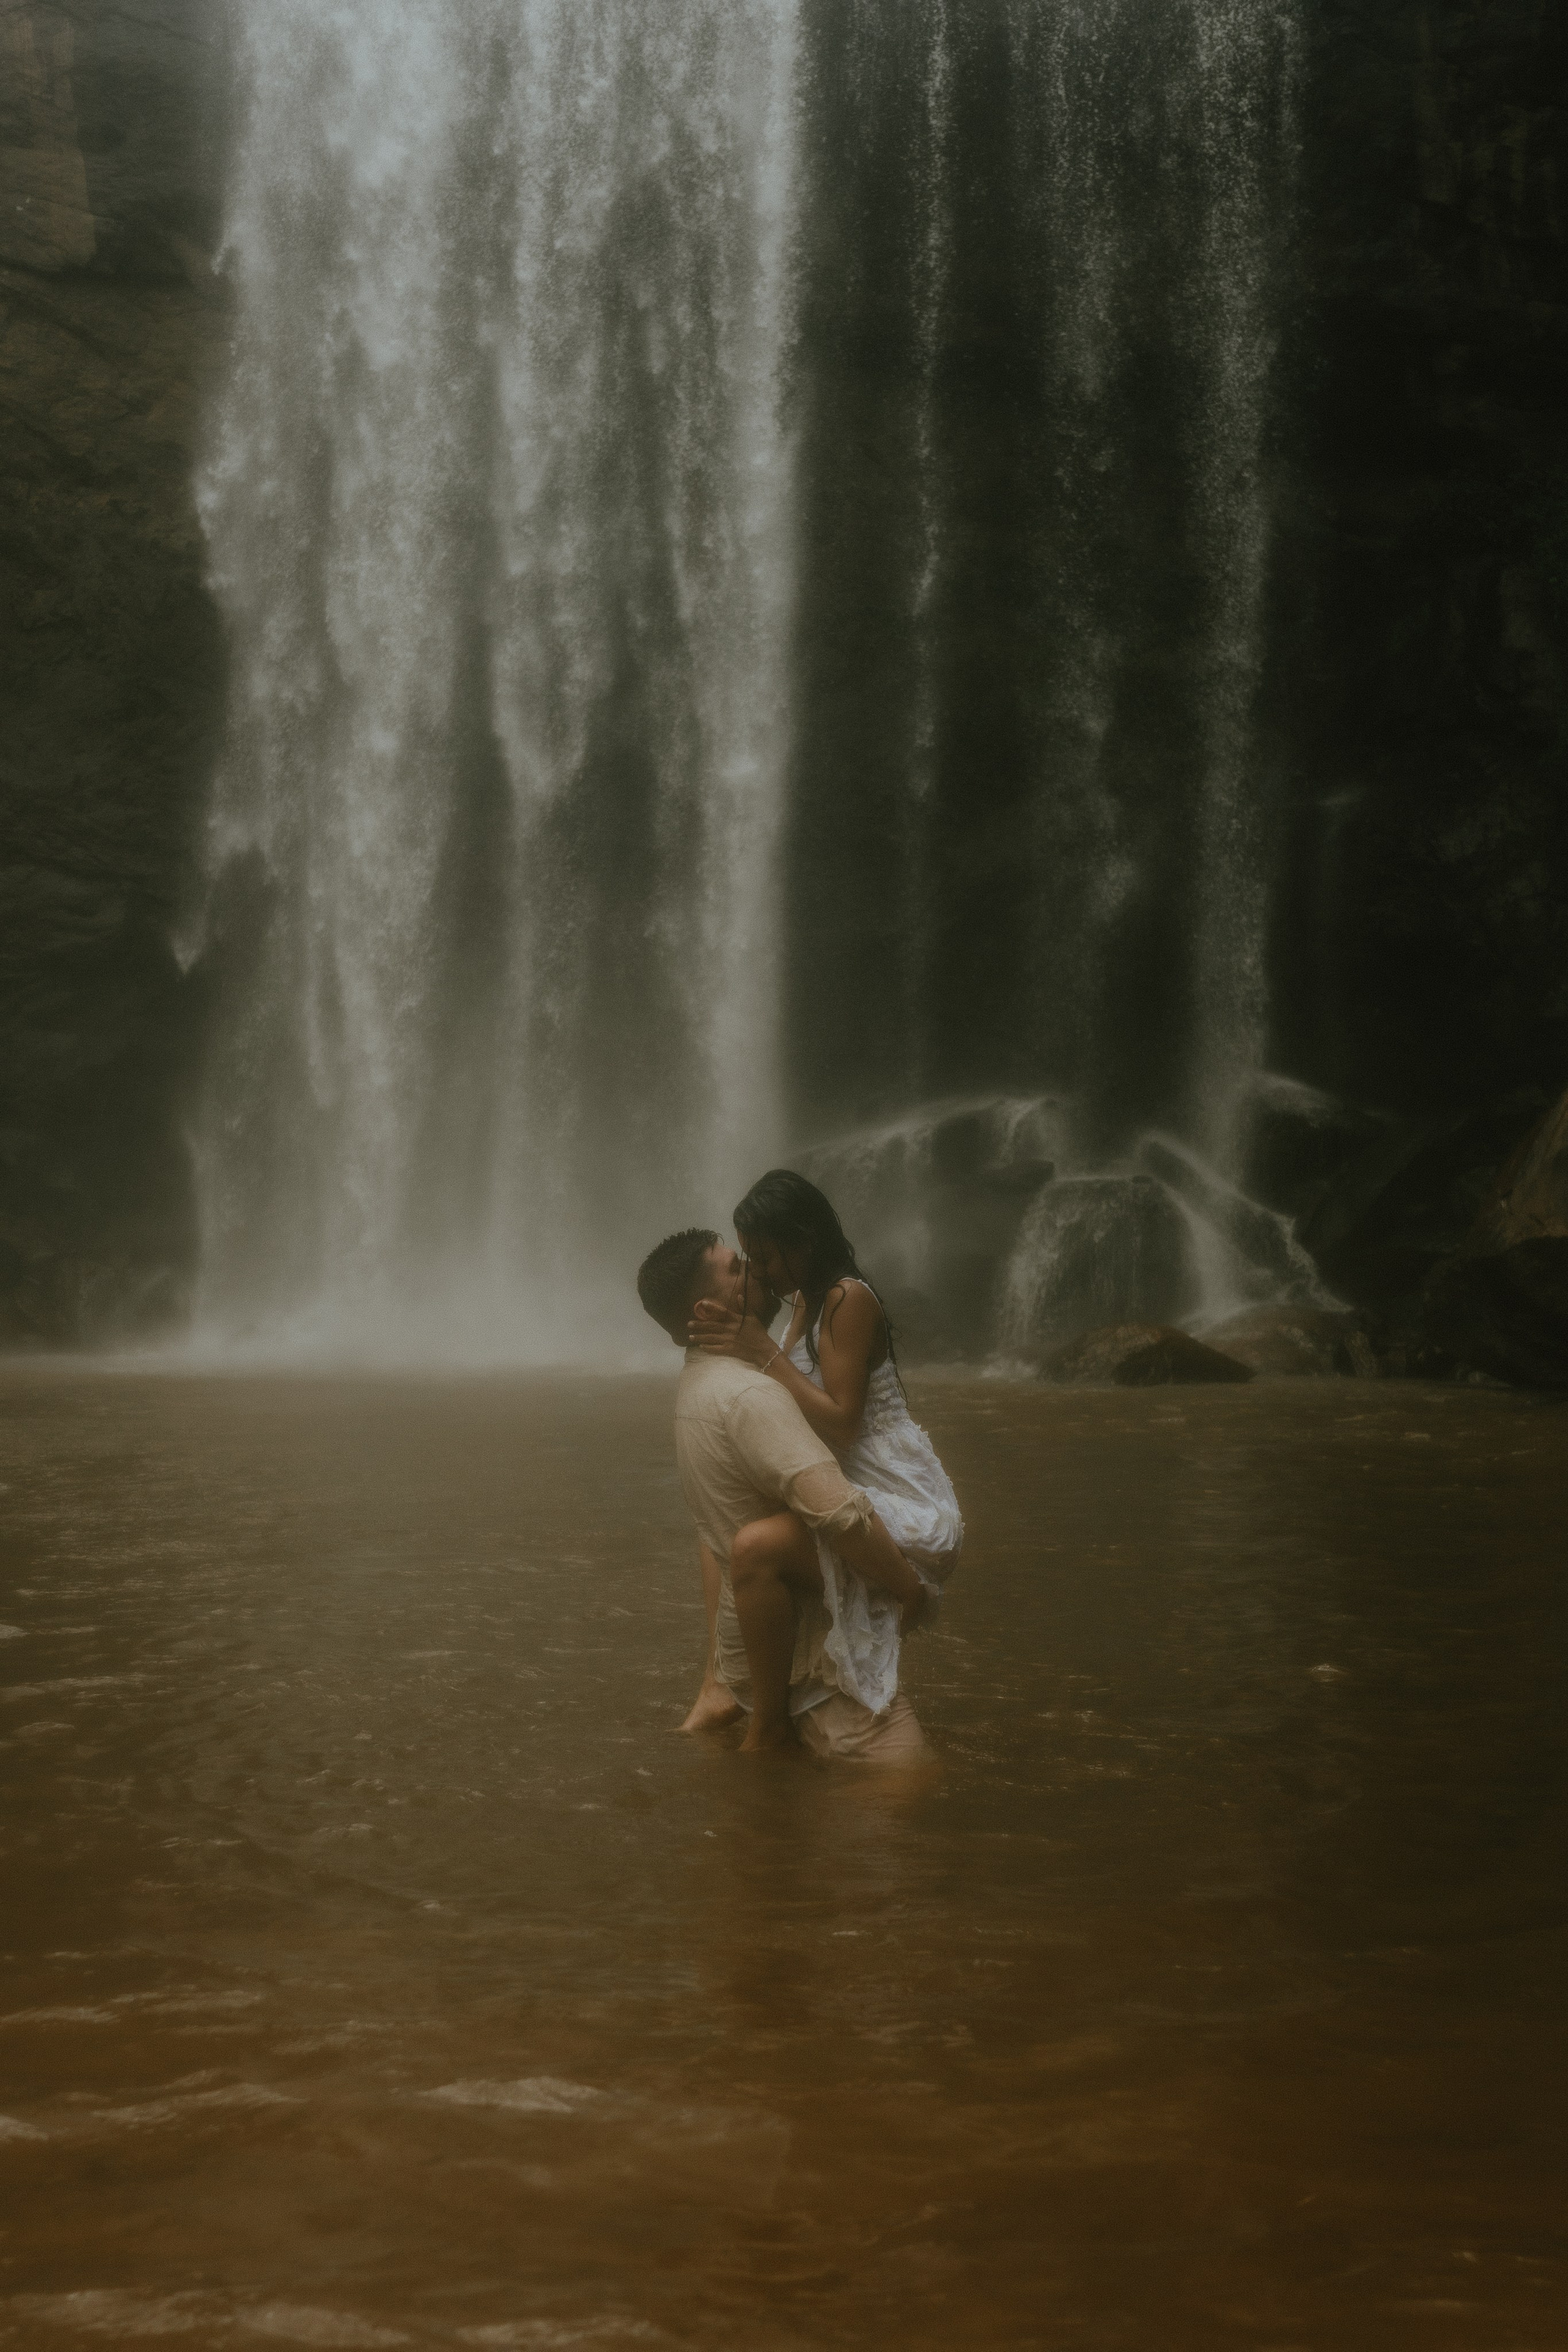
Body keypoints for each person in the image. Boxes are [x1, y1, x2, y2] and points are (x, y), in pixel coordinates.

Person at [636, 1227, 932, 1763]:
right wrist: (910, 1589)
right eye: (735, 1268)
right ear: (708, 1309)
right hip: (816, 1668)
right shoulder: (750, 1395)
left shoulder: (701, 1383)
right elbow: (838, 1511)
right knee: (910, 1789)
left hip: (760, 1652)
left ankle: (746, 1728)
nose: (752, 1267)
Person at [687, 1169, 964, 1723]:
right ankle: (721, 1682)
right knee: (715, 1522)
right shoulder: (804, 1302)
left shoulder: (846, 1299)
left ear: (805, 1241)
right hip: (842, 1480)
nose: (759, 1271)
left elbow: (841, 1425)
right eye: (749, 1258)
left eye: (766, 1257)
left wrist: (762, 1351)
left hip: (897, 1496)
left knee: (752, 1545)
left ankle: (758, 1713)